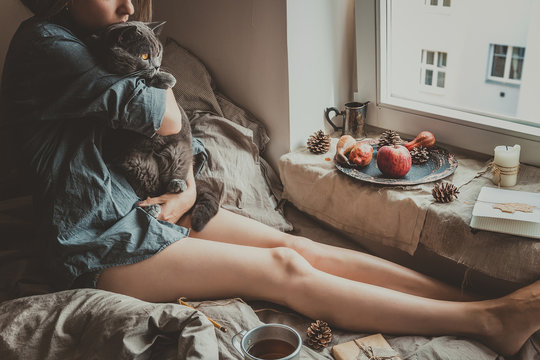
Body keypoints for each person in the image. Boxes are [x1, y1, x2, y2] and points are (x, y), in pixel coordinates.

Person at [1, 0, 539, 357]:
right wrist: (142, 50)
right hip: (97, 242)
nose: (127, 1)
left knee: (296, 245)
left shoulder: (96, 39)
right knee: (281, 266)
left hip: (150, 206)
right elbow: (162, 115)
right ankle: (489, 324)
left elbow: (177, 130)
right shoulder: (44, 44)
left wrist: (187, 185)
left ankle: (474, 305)